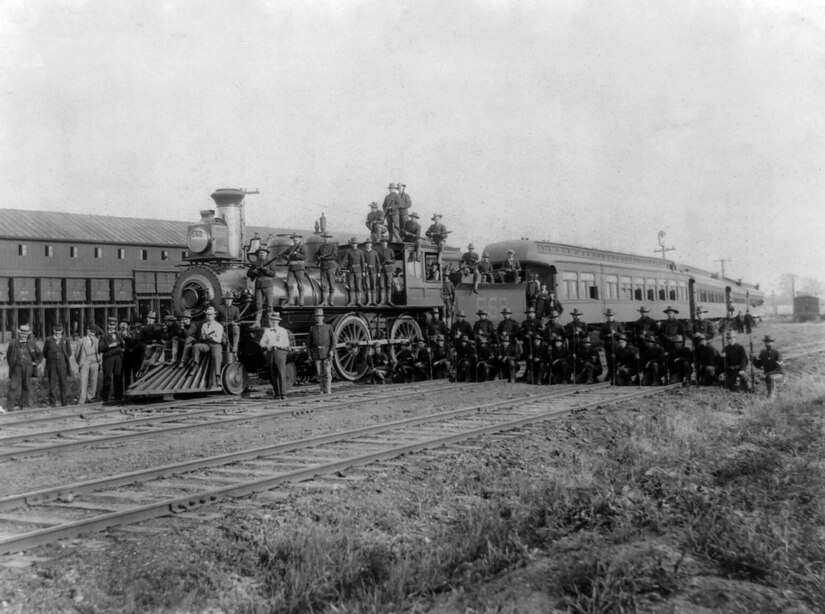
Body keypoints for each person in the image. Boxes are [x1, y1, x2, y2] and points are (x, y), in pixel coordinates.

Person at [6, 323, 43, 410]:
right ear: (19, 333)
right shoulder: (13, 343)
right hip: (17, 367)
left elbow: (40, 354)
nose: (24, 336)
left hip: (28, 367)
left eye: (25, 334)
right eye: (22, 334)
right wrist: (12, 365)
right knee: (13, 386)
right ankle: (10, 406)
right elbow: (9, 356)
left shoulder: (31, 343)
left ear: (28, 334)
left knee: (26, 385)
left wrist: (36, 362)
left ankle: (24, 405)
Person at [259, 312, 291, 399]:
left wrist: (279, 345)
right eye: (272, 320)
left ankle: (283, 394)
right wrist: (266, 345)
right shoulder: (267, 331)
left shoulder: (283, 331)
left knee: (281, 372)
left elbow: (286, 343)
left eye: (275, 321)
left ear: (278, 321)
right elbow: (261, 342)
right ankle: (277, 393)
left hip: (280, 352)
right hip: (271, 352)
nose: (274, 322)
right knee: (273, 373)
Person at [192, 306, 225, 389]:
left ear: (214, 315)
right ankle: (195, 364)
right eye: (207, 315)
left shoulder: (219, 326)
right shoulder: (204, 325)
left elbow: (219, 339)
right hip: (207, 344)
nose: (209, 316)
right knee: (196, 346)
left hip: (216, 344)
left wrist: (212, 337)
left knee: (216, 356)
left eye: (211, 315)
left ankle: (217, 376)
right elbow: (202, 337)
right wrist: (205, 337)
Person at [42, 323, 73, 406]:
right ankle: (53, 402)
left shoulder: (65, 339)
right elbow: (44, 353)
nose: (58, 333)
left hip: (62, 364)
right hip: (52, 364)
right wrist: (51, 358)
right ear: (53, 331)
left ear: (62, 331)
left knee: (63, 383)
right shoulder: (49, 339)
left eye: (60, 331)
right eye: (56, 331)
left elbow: (69, 352)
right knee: (52, 383)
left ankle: (64, 401)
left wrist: (63, 358)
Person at [247, 247, 278, 326]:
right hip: (258, 285)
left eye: (263, 253)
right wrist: (254, 272)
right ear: (258, 254)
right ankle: (257, 322)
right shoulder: (255, 263)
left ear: (266, 254)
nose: (262, 254)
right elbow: (248, 273)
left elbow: (273, 274)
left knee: (269, 305)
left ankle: (270, 322)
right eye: (260, 253)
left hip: (268, 285)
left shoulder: (270, 262)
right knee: (258, 305)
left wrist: (265, 270)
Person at [308, 308, 335, 394]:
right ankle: (322, 390)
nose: (319, 318)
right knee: (320, 373)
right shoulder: (312, 329)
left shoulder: (328, 327)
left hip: (326, 353)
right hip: (316, 354)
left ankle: (328, 390)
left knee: (327, 373)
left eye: (320, 316)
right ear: (315, 318)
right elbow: (308, 344)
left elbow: (333, 341)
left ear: (323, 317)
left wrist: (331, 351)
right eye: (317, 317)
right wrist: (309, 354)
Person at [99, 317, 126, 401]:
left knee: (118, 377)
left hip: (118, 358)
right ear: (107, 325)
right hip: (108, 358)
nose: (112, 327)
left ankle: (118, 397)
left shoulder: (119, 334)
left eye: (113, 325)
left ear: (116, 325)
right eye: (110, 325)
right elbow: (100, 348)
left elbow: (127, 341)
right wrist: (109, 346)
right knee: (107, 377)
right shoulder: (104, 336)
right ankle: (105, 398)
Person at [278, 233, 307, 306]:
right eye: (294, 238)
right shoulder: (291, 248)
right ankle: (291, 300)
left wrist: (296, 254)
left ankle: (301, 301)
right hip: (291, 268)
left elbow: (304, 257)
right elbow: (283, 254)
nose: (295, 239)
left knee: (300, 285)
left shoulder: (302, 247)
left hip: (299, 267)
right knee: (289, 284)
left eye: (296, 238)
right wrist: (286, 257)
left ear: (300, 239)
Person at [75, 324, 101, 403]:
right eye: (91, 331)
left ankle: (91, 397)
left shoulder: (97, 340)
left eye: (94, 332)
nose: (92, 333)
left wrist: (99, 363)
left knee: (93, 381)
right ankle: (82, 399)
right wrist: (81, 363)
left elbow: (99, 352)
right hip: (85, 362)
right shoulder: (81, 341)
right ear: (87, 330)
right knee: (83, 381)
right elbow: (77, 354)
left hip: (94, 363)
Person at [598, 309, 625, 383]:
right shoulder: (604, 325)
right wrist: (607, 335)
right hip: (608, 346)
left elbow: (622, 335)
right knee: (609, 362)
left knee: (616, 361)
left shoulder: (618, 324)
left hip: (616, 346)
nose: (610, 317)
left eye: (611, 316)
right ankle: (611, 375)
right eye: (608, 316)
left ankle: (617, 376)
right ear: (606, 316)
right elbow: (601, 336)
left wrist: (615, 333)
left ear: (613, 316)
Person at [315, 232, 339, 306]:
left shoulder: (333, 246)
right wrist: (318, 258)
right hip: (323, 266)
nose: (326, 239)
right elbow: (316, 254)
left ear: (329, 238)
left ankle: (331, 301)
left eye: (327, 237)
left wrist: (324, 257)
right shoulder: (321, 247)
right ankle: (324, 301)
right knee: (323, 284)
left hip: (331, 266)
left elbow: (335, 256)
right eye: (325, 237)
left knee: (331, 283)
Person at [217, 292, 241, 359]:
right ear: (224, 300)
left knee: (236, 328)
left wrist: (235, 323)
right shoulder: (220, 308)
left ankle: (235, 348)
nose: (228, 301)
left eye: (230, 299)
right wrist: (222, 324)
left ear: (232, 300)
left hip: (231, 328)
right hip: (222, 329)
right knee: (224, 341)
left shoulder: (235, 309)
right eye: (227, 299)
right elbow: (216, 321)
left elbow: (238, 320)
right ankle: (228, 355)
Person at [343, 237, 366, 306]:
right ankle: (352, 302)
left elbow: (362, 261)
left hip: (359, 271)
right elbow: (344, 260)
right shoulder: (348, 251)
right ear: (351, 244)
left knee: (358, 287)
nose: (354, 245)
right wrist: (341, 267)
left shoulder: (360, 252)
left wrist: (363, 271)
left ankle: (358, 301)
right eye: (353, 243)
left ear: (357, 244)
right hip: (350, 271)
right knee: (351, 287)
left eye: (355, 243)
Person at [377, 237, 396, 306]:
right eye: (382, 242)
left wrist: (389, 261)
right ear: (381, 243)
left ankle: (389, 301)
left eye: (385, 242)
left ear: (387, 243)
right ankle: (382, 301)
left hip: (389, 270)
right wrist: (379, 266)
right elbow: (378, 262)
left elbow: (394, 261)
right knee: (382, 286)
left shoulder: (390, 250)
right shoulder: (379, 251)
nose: (384, 243)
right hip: (382, 270)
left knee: (388, 286)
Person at [362, 238, 382, 306]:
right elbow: (362, 262)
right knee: (368, 286)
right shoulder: (363, 253)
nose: (368, 245)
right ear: (365, 245)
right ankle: (369, 301)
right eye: (367, 244)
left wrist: (379, 272)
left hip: (374, 271)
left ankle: (374, 301)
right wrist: (364, 271)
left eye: (369, 244)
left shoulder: (375, 252)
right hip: (367, 271)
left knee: (373, 286)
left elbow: (378, 263)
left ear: (371, 245)